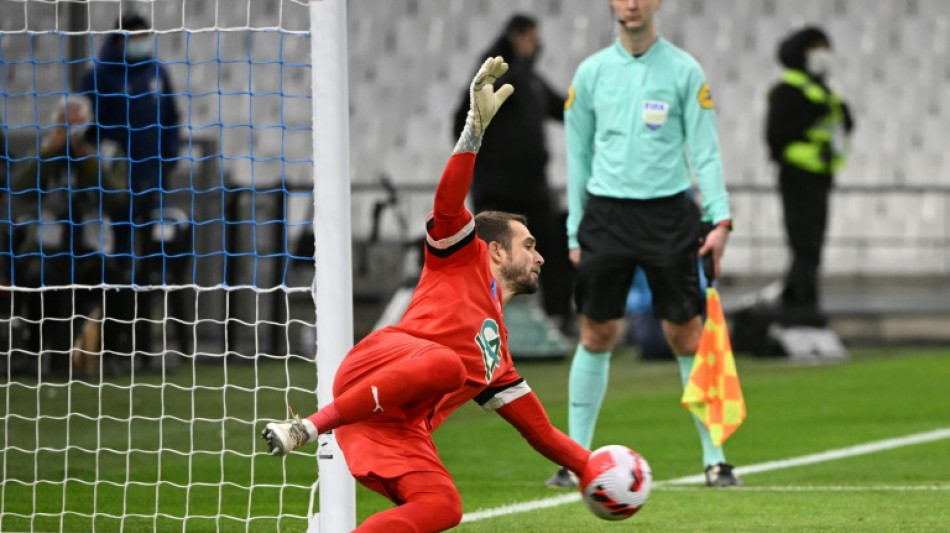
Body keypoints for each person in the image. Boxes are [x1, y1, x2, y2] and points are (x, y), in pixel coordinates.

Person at [262, 57, 591, 532]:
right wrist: (474, 131)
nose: (540, 257)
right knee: (447, 365)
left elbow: (540, 433)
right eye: (530, 246)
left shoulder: (496, 356)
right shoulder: (463, 257)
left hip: (397, 428)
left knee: (442, 508)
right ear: (495, 251)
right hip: (372, 374)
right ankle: (307, 426)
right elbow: (447, 202)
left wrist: (591, 468)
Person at [547, 0, 739, 488]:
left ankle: (715, 459)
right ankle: (575, 459)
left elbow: (706, 149)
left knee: (687, 335)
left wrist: (720, 218)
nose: (630, 4)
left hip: (669, 215)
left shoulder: (684, 70)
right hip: (606, 215)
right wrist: (576, 229)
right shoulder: (590, 74)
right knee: (596, 333)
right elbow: (577, 158)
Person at [452, 14, 575, 334]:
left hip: (533, 189)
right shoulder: (492, 73)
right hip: (497, 190)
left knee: (548, 253)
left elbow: (564, 108)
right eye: (532, 37)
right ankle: (481, 324)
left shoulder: (530, 78)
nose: (538, 44)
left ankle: (556, 319)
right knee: (492, 261)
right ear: (517, 36)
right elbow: (463, 121)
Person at [80, 11, 182, 370]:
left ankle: (143, 350)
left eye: (146, 35)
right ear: (121, 38)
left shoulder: (157, 72)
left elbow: (172, 121)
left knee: (149, 268)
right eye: (137, 35)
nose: (143, 41)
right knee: (115, 267)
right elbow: (84, 132)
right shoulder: (99, 76)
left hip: (152, 188)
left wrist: (167, 160)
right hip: (110, 195)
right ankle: (109, 348)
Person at [7, 97, 129, 377]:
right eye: (66, 124)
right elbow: (19, 187)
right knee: (35, 280)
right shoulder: (45, 150)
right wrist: (50, 154)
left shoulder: (108, 152)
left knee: (118, 286)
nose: (72, 131)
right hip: (47, 247)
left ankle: (110, 356)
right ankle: (32, 353)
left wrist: (90, 164)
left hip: (92, 247)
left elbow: (119, 198)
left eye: (77, 124)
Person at [766, 26, 854, 321]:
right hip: (797, 176)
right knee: (803, 245)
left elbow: (845, 123)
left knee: (812, 246)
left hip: (820, 176)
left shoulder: (825, 90)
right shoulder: (788, 90)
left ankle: (803, 304)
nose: (823, 54)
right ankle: (799, 307)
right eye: (816, 47)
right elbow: (776, 136)